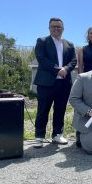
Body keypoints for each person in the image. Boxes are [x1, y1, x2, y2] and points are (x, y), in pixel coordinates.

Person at [33, 17, 77, 148]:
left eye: (59, 26)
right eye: (53, 26)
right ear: (49, 28)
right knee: (43, 110)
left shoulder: (69, 44)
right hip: (46, 83)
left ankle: (57, 134)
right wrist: (57, 70)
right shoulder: (42, 41)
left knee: (60, 109)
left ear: (63, 28)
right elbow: (41, 59)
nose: (56, 28)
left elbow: (73, 60)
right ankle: (39, 136)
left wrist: (66, 69)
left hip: (63, 84)